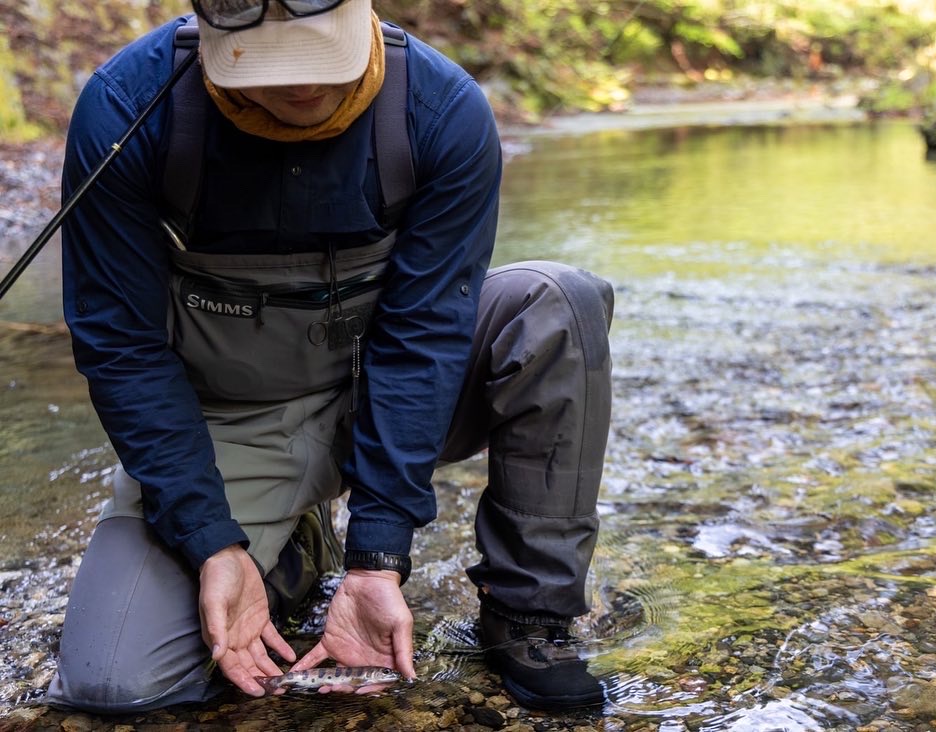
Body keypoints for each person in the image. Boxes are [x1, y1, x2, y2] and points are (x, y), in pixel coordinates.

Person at [47, 0, 613, 715]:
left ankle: (527, 612)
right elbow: (122, 348)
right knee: (116, 684)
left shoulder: (441, 110)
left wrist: (378, 558)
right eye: (272, 67)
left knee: (554, 302)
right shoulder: (128, 110)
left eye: (320, 62)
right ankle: (282, 554)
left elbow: (424, 337)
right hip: (231, 421)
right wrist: (211, 540)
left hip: (398, 393)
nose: (299, 88)